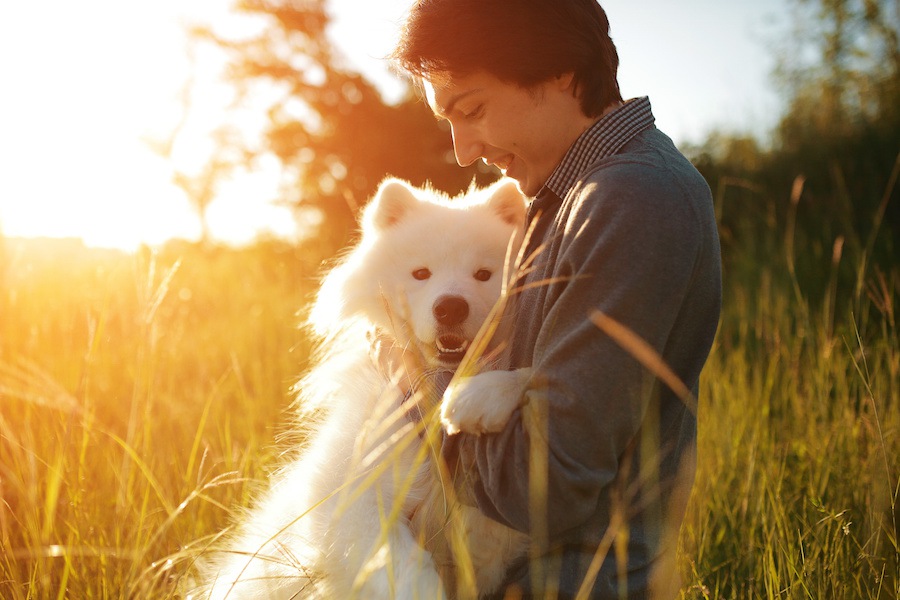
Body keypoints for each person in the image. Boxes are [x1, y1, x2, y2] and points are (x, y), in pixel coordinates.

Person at [387, 1, 722, 598]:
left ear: (561, 74)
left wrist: (415, 380)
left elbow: (546, 488)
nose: (463, 150)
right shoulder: (568, 195)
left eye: (473, 110)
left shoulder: (632, 201)